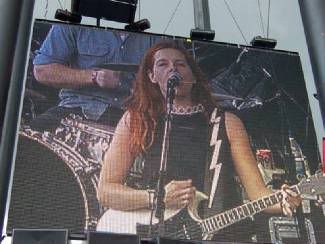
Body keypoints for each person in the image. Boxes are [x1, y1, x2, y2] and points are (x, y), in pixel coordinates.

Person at [97, 41, 301, 241]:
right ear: (151, 76)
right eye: (163, 64)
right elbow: (106, 191)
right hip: (160, 232)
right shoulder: (136, 119)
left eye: (180, 64)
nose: (172, 69)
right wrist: (156, 198)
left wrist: (283, 201)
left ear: (192, 75)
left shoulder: (227, 123)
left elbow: (258, 194)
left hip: (222, 234)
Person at [32, 23, 161, 129]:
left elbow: (177, 77)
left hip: (136, 116)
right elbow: (42, 70)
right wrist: (94, 77)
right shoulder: (76, 17)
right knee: (34, 134)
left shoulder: (159, 24)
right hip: (79, 108)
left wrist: (142, 88)